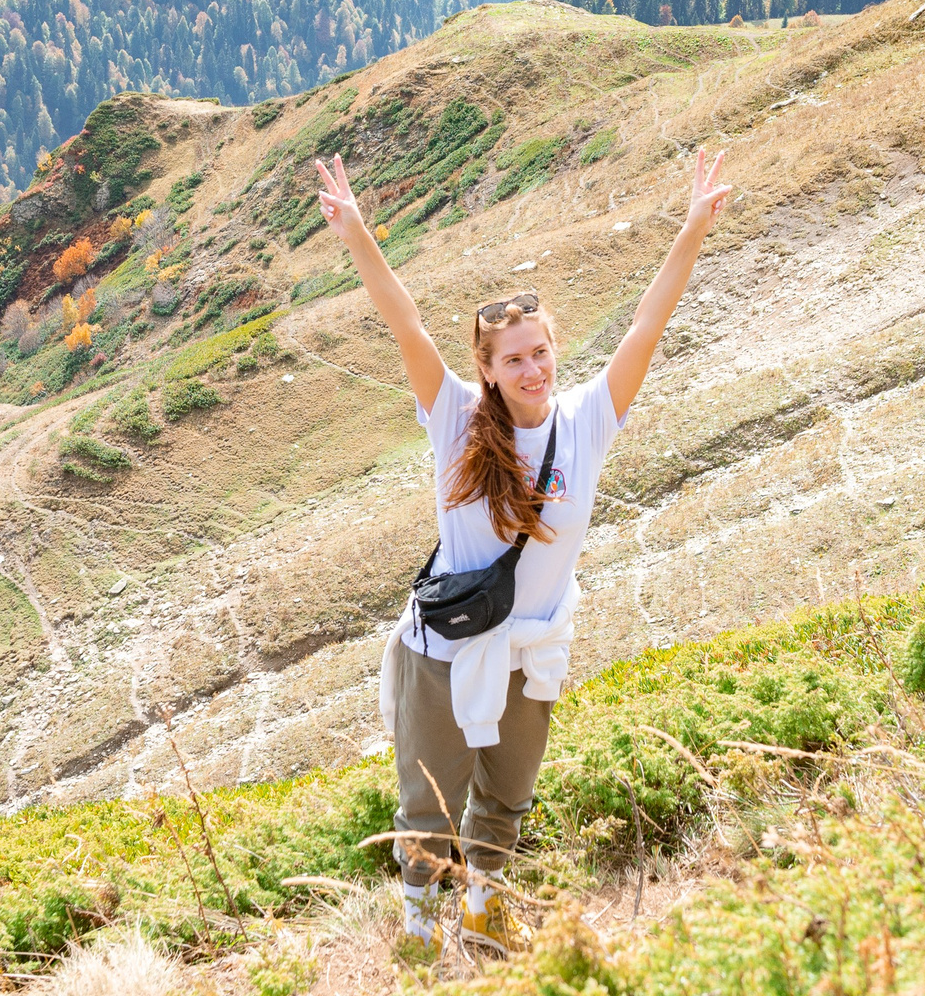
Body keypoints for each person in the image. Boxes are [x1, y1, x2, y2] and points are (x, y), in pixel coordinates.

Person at [311, 147, 735, 953]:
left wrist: (691, 229)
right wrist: (357, 231)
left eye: (540, 351)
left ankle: (482, 917)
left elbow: (648, 322)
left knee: (504, 800)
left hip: (533, 646)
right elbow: (401, 318)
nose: (533, 367)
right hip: (448, 650)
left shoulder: (587, 419)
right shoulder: (455, 418)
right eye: (514, 358)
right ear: (488, 370)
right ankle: (417, 931)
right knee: (429, 803)